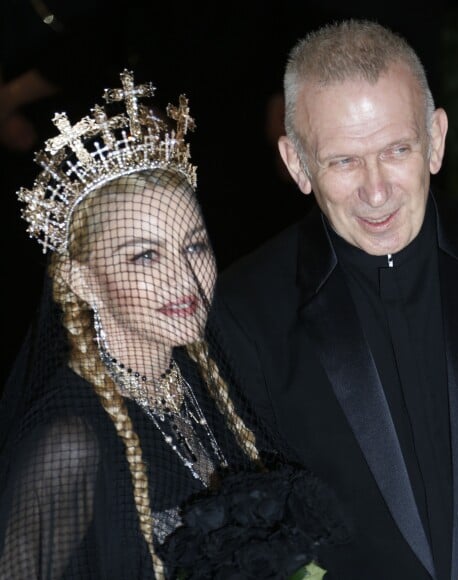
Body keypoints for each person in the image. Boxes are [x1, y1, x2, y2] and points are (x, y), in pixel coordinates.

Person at [215, 19, 458, 579]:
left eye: (397, 150)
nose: (376, 190)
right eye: (343, 161)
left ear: (435, 140)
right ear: (297, 164)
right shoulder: (245, 311)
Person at [0, 70, 347, 579]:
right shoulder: (69, 442)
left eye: (195, 246)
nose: (185, 279)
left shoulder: (204, 379)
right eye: (144, 256)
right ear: (82, 282)